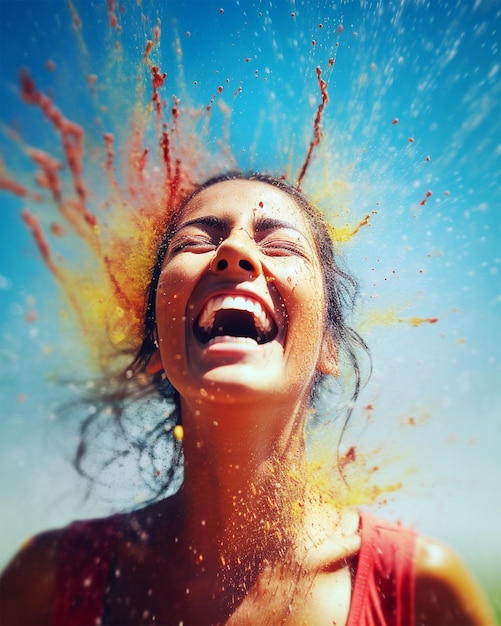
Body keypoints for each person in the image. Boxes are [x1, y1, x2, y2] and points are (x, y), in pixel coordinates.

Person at [0, 173, 494, 625]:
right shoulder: (47, 582)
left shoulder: (418, 590)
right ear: (155, 340)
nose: (234, 252)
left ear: (327, 346)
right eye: (195, 242)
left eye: (281, 246)